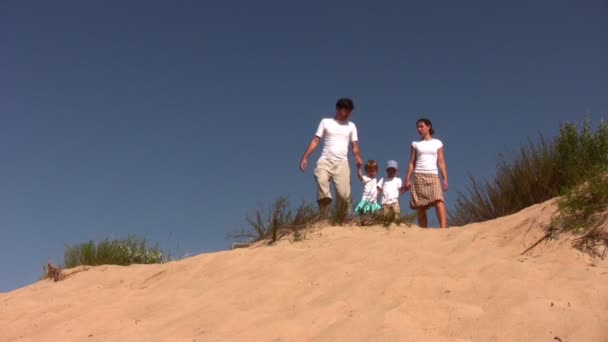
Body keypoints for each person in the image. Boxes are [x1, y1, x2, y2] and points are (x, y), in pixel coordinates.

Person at [299, 98, 363, 217]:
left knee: (344, 196)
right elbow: (316, 140)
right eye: (345, 111)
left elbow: (354, 145)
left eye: (349, 112)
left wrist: (357, 157)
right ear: (338, 109)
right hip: (325, 160)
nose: (347, 114)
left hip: (342, 163)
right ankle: (324, 216)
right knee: (321, 181)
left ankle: (342, 221)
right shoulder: (325, 122)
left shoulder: (351, 126)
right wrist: (305, 157)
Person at [404, 118, 449, 228]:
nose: (419, 129)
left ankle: (443, 229)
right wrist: (407, 179)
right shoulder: (415, 144)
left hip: (433, 175)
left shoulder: (437, 143)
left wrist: (445, 179)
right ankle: (423, 231)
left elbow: (441, 161)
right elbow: (412, 163)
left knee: (439, 200)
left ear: (428, 127)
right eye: (417, 127)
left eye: (421, 126)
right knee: (420, 205)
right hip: (419, 175)